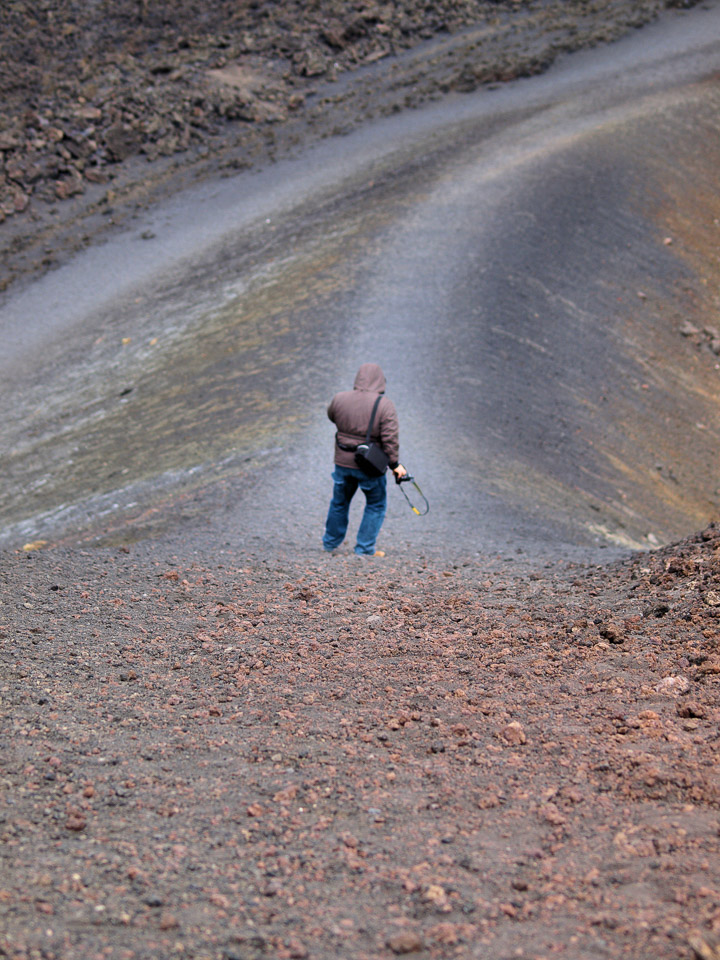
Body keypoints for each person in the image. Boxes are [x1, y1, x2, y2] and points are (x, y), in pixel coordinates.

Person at [323, 363, 407, 556]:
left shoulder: (339, 398)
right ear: (380, 380)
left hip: (342, 462)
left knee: (339, 502)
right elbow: (390, 439)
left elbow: (332, 417)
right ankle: (364, 548)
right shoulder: (384, 404)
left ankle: (330, 543)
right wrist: (395, 465)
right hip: (369, 466)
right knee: (375, 504)